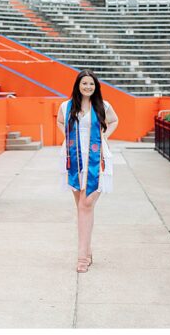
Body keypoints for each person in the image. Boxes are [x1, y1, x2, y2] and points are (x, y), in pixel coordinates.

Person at [55, 70, 118, 274]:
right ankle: (88, 252)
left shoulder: (103, 105)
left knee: (87, 204)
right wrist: (67, 138)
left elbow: (114, 120)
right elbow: (60, 122)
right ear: (78, 85)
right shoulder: (66, 106)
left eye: (91, 84)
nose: (88, 87)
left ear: (96, 86)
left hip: (96, 158)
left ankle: (82, 257)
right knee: (82, 208)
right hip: (74, 158)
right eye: (84, 83)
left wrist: (105, 136)